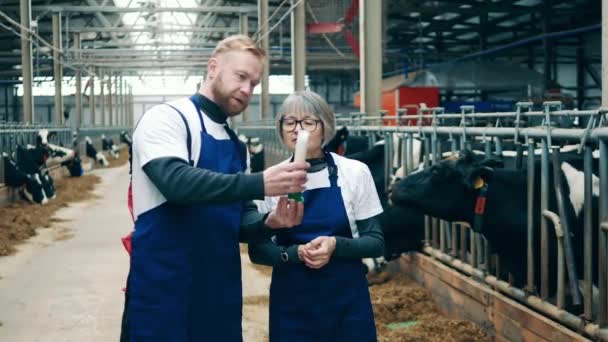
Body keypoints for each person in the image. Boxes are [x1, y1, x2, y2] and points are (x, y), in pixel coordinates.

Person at [122, 35, 309, 342]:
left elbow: (240, 221)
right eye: (241, 77)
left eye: (254, 83)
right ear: (212, 68)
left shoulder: (237, 147)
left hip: (219, 293)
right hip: (163, 286)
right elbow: (176, 183)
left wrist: (268, 223)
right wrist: (260, 182)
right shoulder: (168, 119)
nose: (247, 90)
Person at [249, 90, 385, 342]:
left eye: (308, 122)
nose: (297, 129)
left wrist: (336, 245)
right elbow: (258, 251)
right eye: (289, 122)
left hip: (347, 301)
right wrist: (295, 253)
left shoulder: (354, 172)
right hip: (292, 304)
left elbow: (375, 242)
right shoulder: (270, 179)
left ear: (325, 127)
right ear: (280, 129)